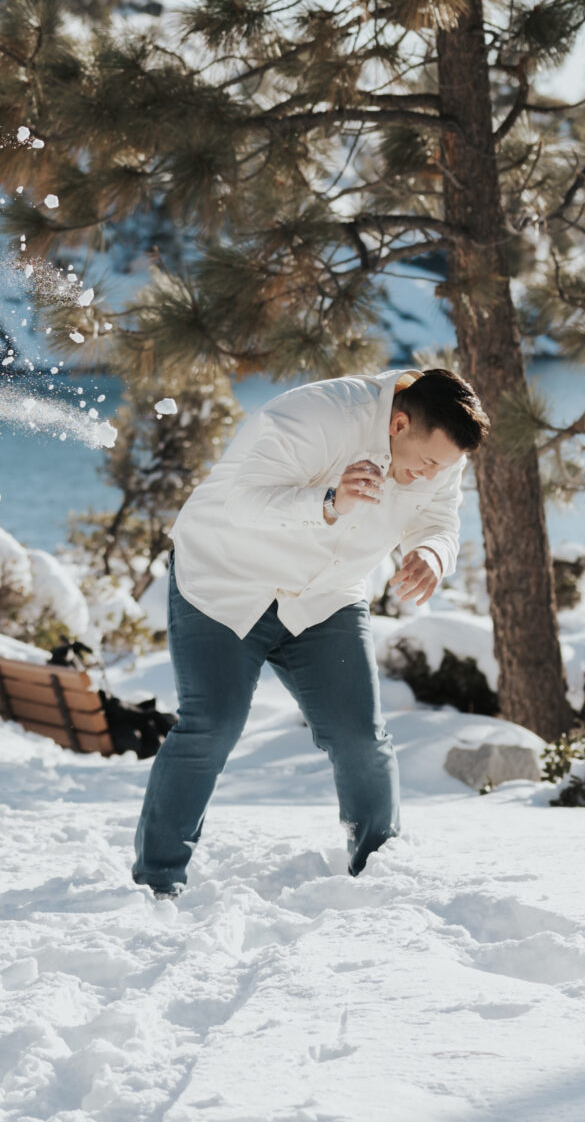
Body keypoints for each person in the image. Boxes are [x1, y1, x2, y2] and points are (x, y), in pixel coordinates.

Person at [133, 367, 485, 897]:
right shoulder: (318, 416)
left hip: (323, 597)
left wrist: (433, 552)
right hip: (227, 582)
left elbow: (440, 518)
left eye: (445, 467)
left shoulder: (440, 455)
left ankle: (376, 875)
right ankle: (157, 881)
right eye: (429, 462)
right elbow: (243, 500)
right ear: (399, 423)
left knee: (360, 738)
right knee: (212, 726)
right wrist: (328, 502)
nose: (433, 475)